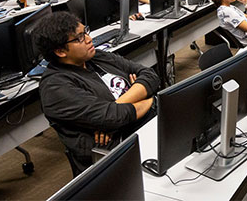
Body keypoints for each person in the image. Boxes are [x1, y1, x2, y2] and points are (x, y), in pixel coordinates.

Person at [35, 12, 159, 173]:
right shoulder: (56, 88)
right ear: (60, 51)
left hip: (144, 128)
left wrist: (114, 109)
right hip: (115, 158)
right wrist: (151, 100)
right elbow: (114, 116)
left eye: (85, 31)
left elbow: (150, 76)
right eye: (79, 38)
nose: (89, 39)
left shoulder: (94, 57)